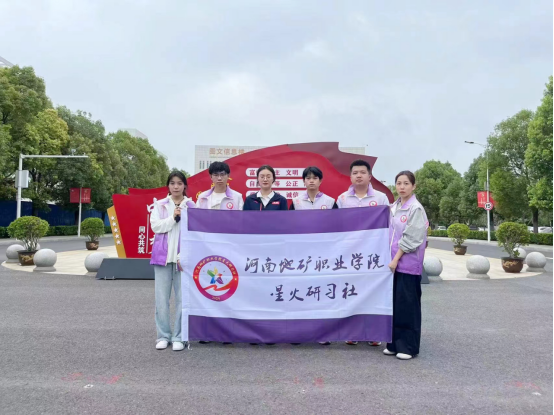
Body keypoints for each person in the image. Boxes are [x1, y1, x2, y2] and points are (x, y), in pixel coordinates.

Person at [337, 159, 390, 347]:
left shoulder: (381, 198)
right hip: (349, 255)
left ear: (369, 176)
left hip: (373, 255)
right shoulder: (342, 199)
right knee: (350, 291)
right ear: (350, 176)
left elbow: (388, 225)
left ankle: (373, 332)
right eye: (355, 173)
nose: (358, 176)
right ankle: (352, 332)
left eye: (362, 172)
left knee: (372, 292)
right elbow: (337, 227)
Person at [196, 162, 243, 345]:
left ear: (228, 176)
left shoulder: (236, 197)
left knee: (228, 290)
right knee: (208, 290)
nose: (219, 178)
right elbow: (196, 224)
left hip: (228, 250)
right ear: (211, 177)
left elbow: (241, 224)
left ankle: (227, 333)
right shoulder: (203, 198)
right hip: (207, 251)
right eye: (216, 174)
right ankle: (207, 332)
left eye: (223, 174)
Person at [289, 166, 337, 346]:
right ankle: (298, 332)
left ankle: (322, 334)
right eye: (308, 178)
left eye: (315, 178)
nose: (311, 181)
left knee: (321, 294)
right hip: (301, 256)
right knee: (300, 293)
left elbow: (337, 228)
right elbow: (289, 228)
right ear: (303, 181)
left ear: (320, 181)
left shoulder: (330, 202)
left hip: (323, 256)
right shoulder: (296, 202)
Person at [383, 171, 428, 361]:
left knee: (408, 306)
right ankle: (393, 344)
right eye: (399, 183)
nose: (402, 187)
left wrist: (396, 259)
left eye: (406, 183)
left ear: (414, 186)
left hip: (407, 265)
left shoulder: (415, 209)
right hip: (392, 266)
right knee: (395, 305)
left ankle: (408, 347)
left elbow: (412, 238)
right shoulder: (393, 207)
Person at [150, 171, 195, 352]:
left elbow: (194, 231)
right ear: (168, 186)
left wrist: (185, 255)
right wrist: (173, 218)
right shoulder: (160, 205)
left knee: (183, 300)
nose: (176, 187)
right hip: (162, 258)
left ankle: (179, 337)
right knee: (161, 299)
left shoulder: (191, 205)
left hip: (183, 260)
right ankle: (163, 336)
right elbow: (156, 226)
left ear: (185, 186)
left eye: (179, 183)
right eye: (172, 183)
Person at [243, 166, 287, 345]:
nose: (265, 179)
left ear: (274, 179)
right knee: (255, 291)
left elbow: (285, 226)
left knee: (272, 290)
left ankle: (271, 332)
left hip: (274, 253)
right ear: (257, 179)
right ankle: (254, 332)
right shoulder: (250, 200)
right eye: (262, 176)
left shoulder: (281, 200)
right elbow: (244, 224)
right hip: (254, 252)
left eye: (269, 176)